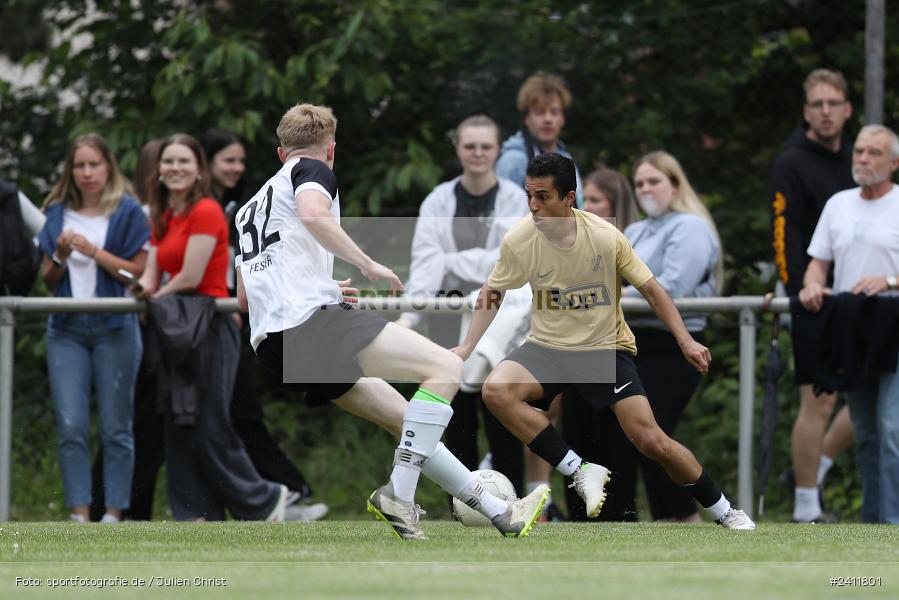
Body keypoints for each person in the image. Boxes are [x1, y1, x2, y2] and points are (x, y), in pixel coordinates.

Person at [235, 103, 549, 540]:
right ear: (331, 149)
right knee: (447, 367)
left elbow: (245, 296)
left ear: (278, 151)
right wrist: (365, 262)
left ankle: (500, 512)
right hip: (310, 324)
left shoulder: (251, 206)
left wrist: (321, 285)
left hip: (272, 346)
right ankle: (399, 496)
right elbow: (312, 213)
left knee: (408, 421)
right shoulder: (312, 170)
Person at [454, 152, 755, 530]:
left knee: (650, 440)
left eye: (543, 196)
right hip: (548, 347)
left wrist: (686, 341)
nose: (533, 206)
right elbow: (492, 292)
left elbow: (653, 290)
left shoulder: (605, 237)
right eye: (529, 195)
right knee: (496, 390)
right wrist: (467, 347)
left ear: (569, 198)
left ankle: (723, 509)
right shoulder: (520, 239)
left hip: (603, 349)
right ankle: (579, 471)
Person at [137, 133, 287, 521]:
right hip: (176, 327)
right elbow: (154, 268)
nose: (175, 168)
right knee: (179, 421)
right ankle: (195, 512)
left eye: (184, 161)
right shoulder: (163, 214)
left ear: (199, 169)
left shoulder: (205, 210)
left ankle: (264, 500)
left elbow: (189, 276)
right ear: (159, 169)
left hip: (209, 325)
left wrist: (157, 296)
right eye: (168, 161)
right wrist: (143, 290)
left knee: (209, 422)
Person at [395, 114, 528, 500]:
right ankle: (462, 503)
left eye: (486, 146)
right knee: (456, 414)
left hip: (500, 311)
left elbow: (506, 263)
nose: (478, 153)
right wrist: (410, 316)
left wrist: (451, 261)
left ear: (497, 150)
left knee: (501, 405)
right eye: (470, 146)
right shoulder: (437, 200)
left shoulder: (515, 200)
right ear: (458, 148)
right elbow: (425, 264)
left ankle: (512, 499)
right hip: (444, 314)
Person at [200, 128, 325, 522]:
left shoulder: (243, 203)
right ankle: (270, 494)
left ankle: (281, 492)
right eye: (228, 160)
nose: (237, 168)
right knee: (222, 417)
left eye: (241, 160)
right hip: (217, 321)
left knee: (238, 414)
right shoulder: (218, 207)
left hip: (246, 320)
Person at [37, 133, 148, 523]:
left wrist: (93, 251)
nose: (86, 173)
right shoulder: (54, 213)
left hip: (116, 325)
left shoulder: (129, 211)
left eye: (93, 165)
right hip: (66, 328)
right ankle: (79, 514)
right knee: (71, 424)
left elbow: (135, 272)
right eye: (79, 166)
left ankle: (114, 513)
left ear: (108, 167)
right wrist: (62, 254)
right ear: (70, 171)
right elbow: (48, 280)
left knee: (117, 426)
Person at [799, 124, 899, 524]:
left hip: (894, 322)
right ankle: (875, 522)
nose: (862, 159)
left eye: (874, 153)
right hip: (852, 326)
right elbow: (818, 263)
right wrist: (811, 286)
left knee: (892, 427)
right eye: (858, 151)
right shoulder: (838, 204)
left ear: (894, 162)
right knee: (865, 429)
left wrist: (889, 281)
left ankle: (893, 523)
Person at [770, 68, 855, 523]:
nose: (825, 112)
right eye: (817, 105)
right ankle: (806, 507)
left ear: (847, 109)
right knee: (818, 401)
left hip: (862, 294)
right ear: (807, 112)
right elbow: (783, 235)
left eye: (832, 104)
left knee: (868, 393)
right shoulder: (791, 163)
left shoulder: (858, 157)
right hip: (813, 296)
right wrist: (800, 288)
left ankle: (812, 470)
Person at [618, 151, 722, 522]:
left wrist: (616, 295)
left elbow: (674, 287)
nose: (645, 188)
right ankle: (668, 517)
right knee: (638, 433)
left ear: (675, 184)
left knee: (652, 431)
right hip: (635, 339)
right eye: (640, 182)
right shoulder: (636, 231)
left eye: (654, 181)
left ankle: (686, 513)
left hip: (676, 342)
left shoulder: (691, 227)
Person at [562, 167, 641, 521]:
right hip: (575, 349)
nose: (586, 207)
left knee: (620, 436)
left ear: (615, 204)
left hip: (614, 348)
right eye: (584, 199)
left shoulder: (618, 241)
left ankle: (621, 512)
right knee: (577, 431)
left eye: (595, 200)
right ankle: (579, 515)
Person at [496, 72, 583, 206]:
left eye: (554, 112)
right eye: (539, 112)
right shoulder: (513, 161)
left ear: (563, 119)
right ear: (526, 118)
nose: (548, 119)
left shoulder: (567, 160)